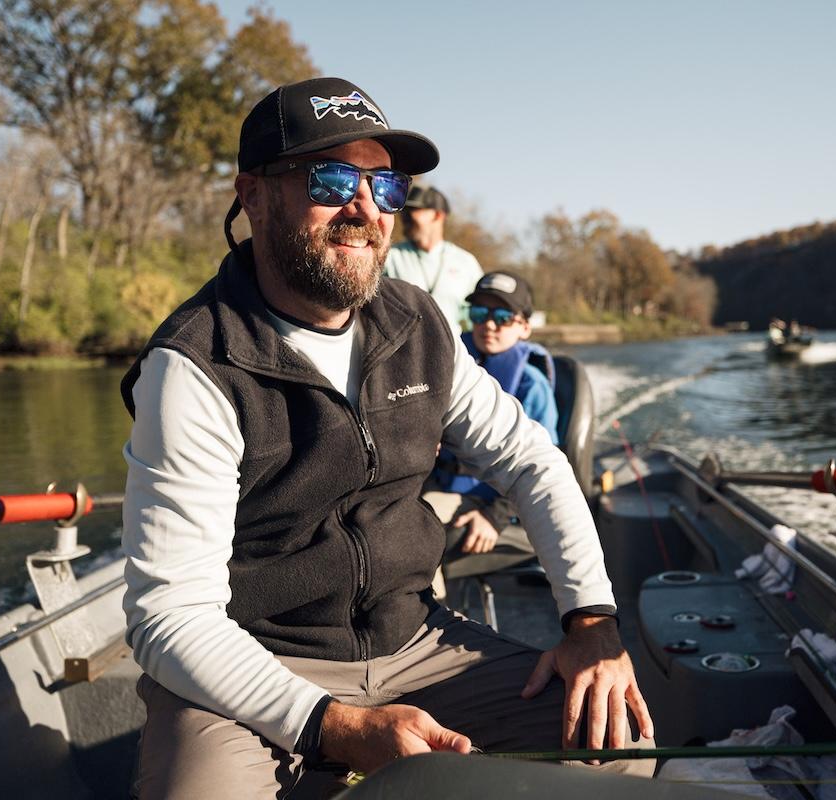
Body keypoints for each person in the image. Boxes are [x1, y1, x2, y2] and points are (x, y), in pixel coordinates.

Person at [120, 76, 654, 799]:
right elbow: (170, 618)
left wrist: (590, 619)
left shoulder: (420, 325)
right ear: (253, 195)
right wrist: (334, 725)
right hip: (254, 659)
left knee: (616, 750)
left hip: (413, 639)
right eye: (333, 177)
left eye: (386, 184)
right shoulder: (195, 366)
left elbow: (532, 461)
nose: (365, 207)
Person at [425, 271, 557, 580]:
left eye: (503, 316)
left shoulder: (531, 386)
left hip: (499, 503)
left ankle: (427, 621)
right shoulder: (450, 363)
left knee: (417, 530)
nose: (489, 324)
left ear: (524, 327)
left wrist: (493, 516)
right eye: (480, 313)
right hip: (440, 483)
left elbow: (541, 467)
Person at [383, 185, 483, 333]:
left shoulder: (466, 262)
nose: (405, 218)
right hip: (401, 351)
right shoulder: (390, 256)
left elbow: (479, 314)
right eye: (405, 212)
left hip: (451, 351)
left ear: (438, 216)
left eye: (413, 211)